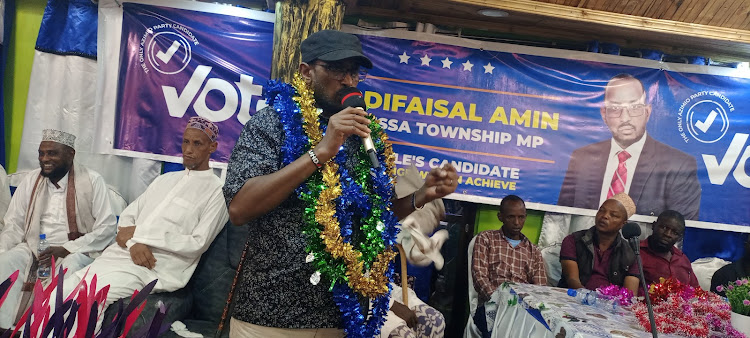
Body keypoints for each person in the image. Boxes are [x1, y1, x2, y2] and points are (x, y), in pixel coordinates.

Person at [223, 29, 458, 337]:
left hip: (342, 316)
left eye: (354, 72)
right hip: (273, 313)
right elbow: (240, 208)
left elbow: (379, 216)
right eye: (336, 69)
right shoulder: (272, 122)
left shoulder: (364, 136)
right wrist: (321, 151)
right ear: (306, 72)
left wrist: (422, 195)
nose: (348, 80)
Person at [63, 117, 229, 308]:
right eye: (185, 141)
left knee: (87, 300)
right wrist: (135, 243)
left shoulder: (217, 191)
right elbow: (127, 218)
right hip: (119, 255)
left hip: (153, 267)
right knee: (59, 293)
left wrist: (141, 235)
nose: (188, 150)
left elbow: (197, 243)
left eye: (197, 143)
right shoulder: (164, 180)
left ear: (212, 147)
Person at [0, 129, 117, 330]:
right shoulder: (31, 180)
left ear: (70, 155)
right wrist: (3, 251)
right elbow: (14, 224)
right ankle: (5, 328)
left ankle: (41, 331)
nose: (45, 159)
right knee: (5, 263)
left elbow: (107, 229)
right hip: (32, 246)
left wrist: (67, 248)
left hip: (75, 250)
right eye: (41, 153)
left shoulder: (92, 181)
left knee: (68, 272)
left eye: (52, 153)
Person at [558, 73, 701, 220]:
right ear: (604, 114)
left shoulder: (679, 165)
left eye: (634, 107)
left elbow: (679, 230)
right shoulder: (582, 158)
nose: (625, 118)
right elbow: (561, 218)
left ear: (647, 112)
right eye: (615, 108)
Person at [471, 195, 547, 337]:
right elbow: (479, 277)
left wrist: (522, 308)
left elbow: (539, 289)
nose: (517, 222)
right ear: (500, 217)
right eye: (511, 217)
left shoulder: (534, 251)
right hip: (491, 306)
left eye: (521, 217)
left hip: (522, 311)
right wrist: (501, 302)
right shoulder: (486, 239)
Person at [559, 193, 640, 294]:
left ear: (623, 224)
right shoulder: (573, 240)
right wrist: (590, 298)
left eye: (613, 215)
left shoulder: (631, 253)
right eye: (601, 210)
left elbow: (630, 295)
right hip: (573, 299)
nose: (605, 216)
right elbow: (572, 280)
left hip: (610, 306)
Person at [639, 210, 698, 288]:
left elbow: (696, 291)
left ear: (680, 237)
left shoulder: (683, 260)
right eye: (664, 228)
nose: (667, 234)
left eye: (674, 232)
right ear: (653, 225)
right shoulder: (637, 252)